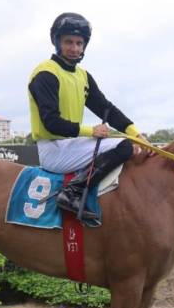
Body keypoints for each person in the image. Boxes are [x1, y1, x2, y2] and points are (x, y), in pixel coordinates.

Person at [28, 12, 148, 220]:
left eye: (79, 43)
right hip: (53, 150)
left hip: (71, 145)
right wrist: (91, 130)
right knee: (123, 146)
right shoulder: (45, 74)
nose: (74, 48)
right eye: (68, 42)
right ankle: (73, 191)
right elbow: (51, 121)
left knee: (130, 142)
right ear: (57, 42)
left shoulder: (82, 75)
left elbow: (105, 108)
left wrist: (135, 133)